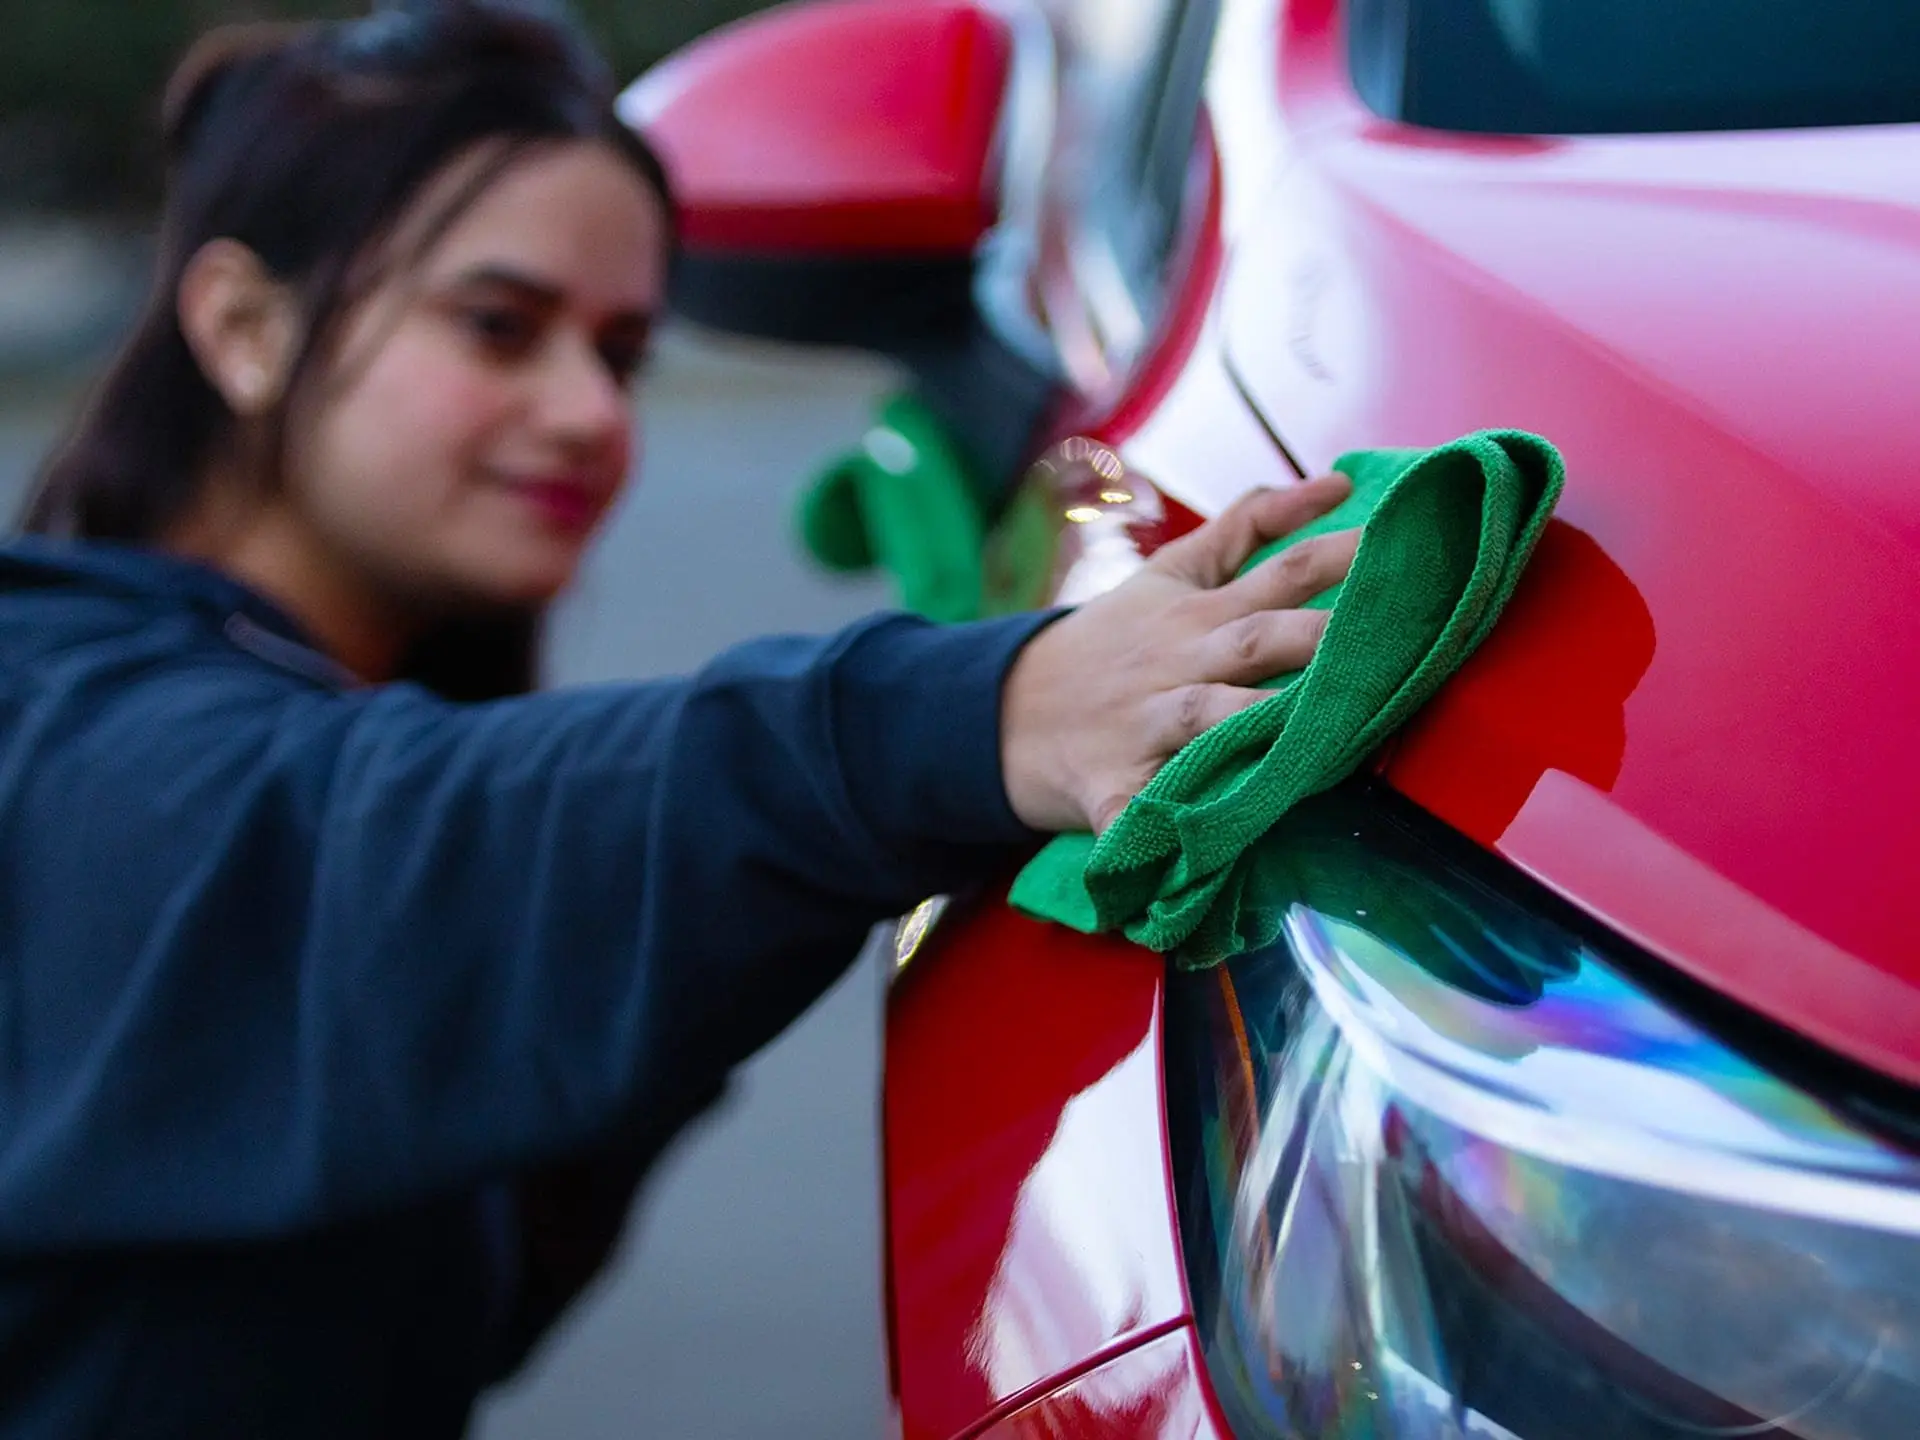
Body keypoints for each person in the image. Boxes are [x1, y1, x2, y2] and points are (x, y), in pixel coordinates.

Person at [0, 3, 1360, 1435]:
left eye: (625, 352)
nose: (591, 411)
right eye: (499, 326)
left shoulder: (343, 745)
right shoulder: (51, 711)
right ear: (244, 325)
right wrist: (982, 713)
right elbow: (361, 834)